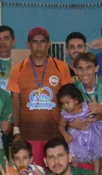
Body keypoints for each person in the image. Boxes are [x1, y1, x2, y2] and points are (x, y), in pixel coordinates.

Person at [8, 26, 73, 166]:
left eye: (42, 41)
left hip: (56, 134)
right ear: (28, 44)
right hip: (28, 134)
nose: (39, 46)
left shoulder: (61, 67)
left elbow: (68, 101)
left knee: (56, 172)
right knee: (33, 174)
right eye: (34, 41)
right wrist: (16, 131)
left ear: (48, 44)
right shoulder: (17, 69)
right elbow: (15, 101)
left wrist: (66, 128)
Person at [57, 84, 102, 173]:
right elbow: (60, 125)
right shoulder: (64, 114)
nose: (65, 106)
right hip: (75, 139)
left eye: (67, 103)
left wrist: (94, 119)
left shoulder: (86, 106)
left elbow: (99, 114)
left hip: (91, 135)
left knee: (95, 155)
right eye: (63, 104)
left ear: (76, 100)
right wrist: (65, 134)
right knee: (73, 157)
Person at [71, 51, 102, 140]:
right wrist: (72, 123)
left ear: (96, 68)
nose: (84, 72)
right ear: (75, 70)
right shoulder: (73, 88)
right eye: (80, 68)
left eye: (89, 68)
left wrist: (101, 109)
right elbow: (63, 116)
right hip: (89, 141)